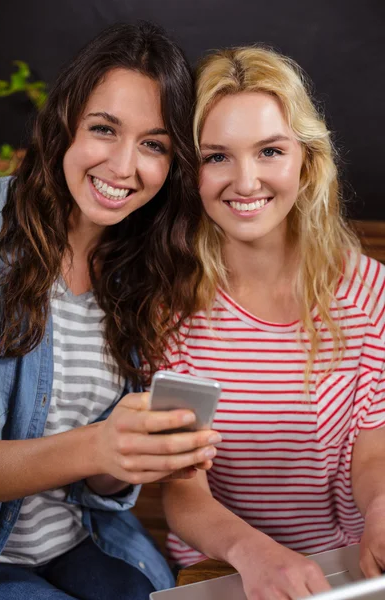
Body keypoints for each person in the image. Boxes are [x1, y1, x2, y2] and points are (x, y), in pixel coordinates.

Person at [0, 21, 221, 600]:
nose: (122, 166)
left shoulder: (142, 270)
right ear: (65, 121)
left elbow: (101, 481)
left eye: (154, 145)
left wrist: (139, 452)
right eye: (104, 129)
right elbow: (92, 450)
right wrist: (97, 445)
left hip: (84, 539)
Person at [159, 46, 385, 599]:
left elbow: (374, 451)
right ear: (193, 172)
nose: (246, 181)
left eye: (269, 151)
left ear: (305, 160)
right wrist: (254, 554)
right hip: (222, 569)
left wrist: (382, 508)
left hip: (349, 566)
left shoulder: (369, 293)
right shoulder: (170, 309)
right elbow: (183, 491)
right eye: (217, 157)